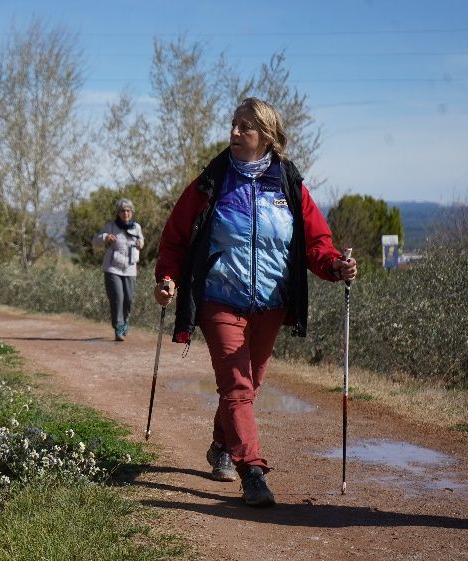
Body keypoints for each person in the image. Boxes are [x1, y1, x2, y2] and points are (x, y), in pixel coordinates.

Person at [153, 97, 357, 507]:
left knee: (249, 385)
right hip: (219, 299)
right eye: (232, 124)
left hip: (271, 302)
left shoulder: (288, 184)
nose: (233, 132)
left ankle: (222, 444)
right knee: (237, 384)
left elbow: (316, 243)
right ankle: (253, 471)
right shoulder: (211, 182)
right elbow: (177, 237)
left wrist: (335, 266)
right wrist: (167, 279)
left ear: (266, 136)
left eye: (244, 127)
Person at [92, 198, 144, 341]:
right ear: (118, 213)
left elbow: (141, 241)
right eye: (122, 211)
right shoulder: (111, 226)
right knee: (117, 298)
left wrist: (141, 243)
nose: (125, 213)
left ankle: (125, 322)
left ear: (132, 212)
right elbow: (95, 241)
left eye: (128, 211)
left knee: (128, 299)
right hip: (112, 268)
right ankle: (118, 328)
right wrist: (105, 237)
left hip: (130, 269)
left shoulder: (136, 228)